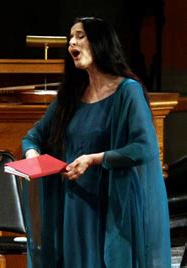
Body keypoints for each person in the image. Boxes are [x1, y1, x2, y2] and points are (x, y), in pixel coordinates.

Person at [21, 17, 171, 267]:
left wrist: (94, 159)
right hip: (75, 207)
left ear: (101, 42)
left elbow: (144, 147)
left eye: (80, 36)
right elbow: (32, 137)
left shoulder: (128, 91)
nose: (72, 43)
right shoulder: (71, 95)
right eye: (70, 38)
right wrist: (33, 156)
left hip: (113, 206)